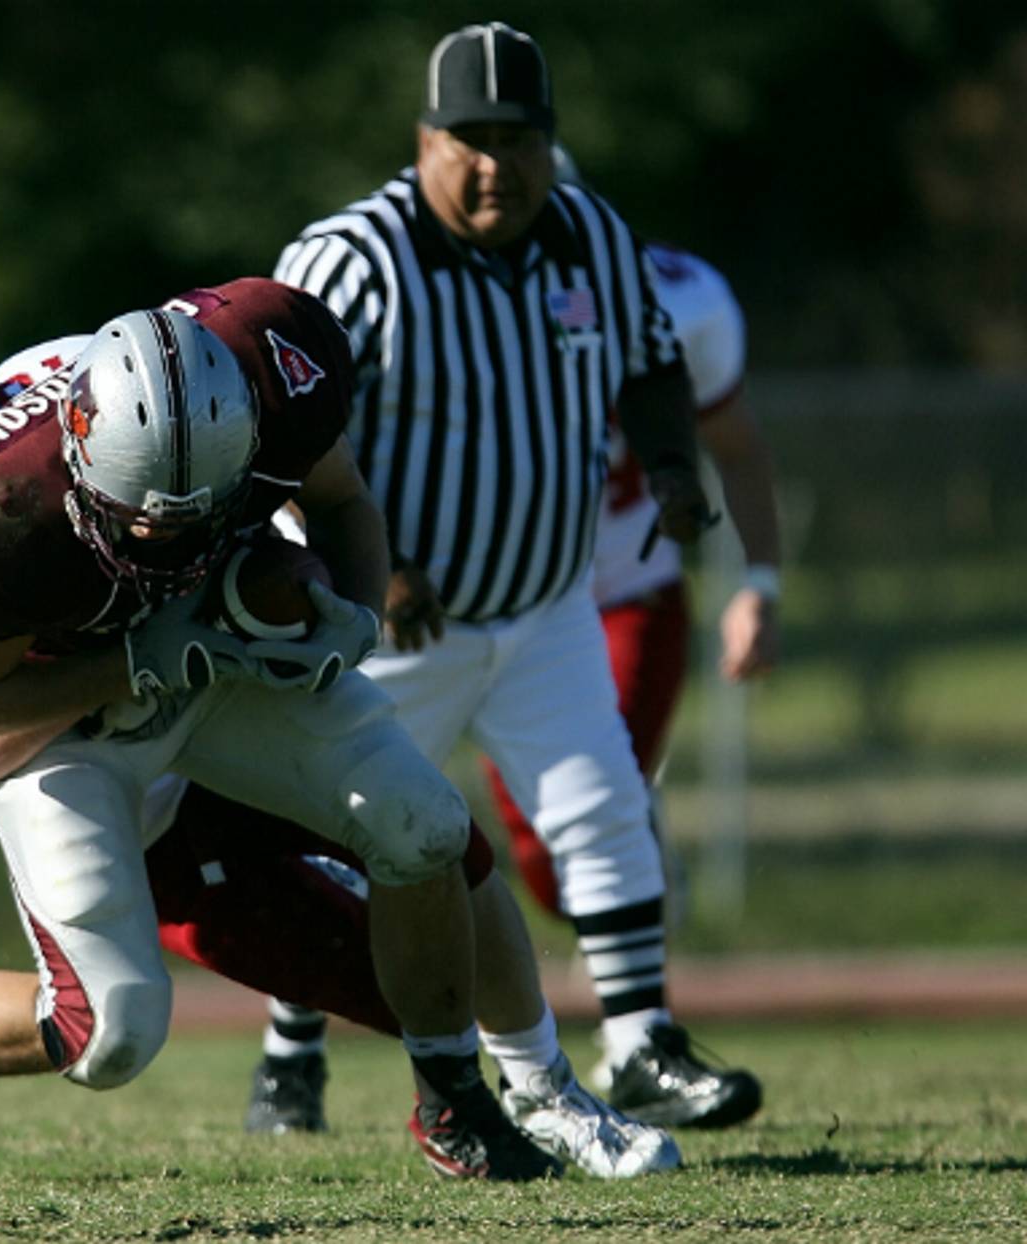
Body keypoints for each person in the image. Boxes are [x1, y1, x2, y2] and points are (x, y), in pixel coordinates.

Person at [0, 288, 678, 1182]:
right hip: (76, 750)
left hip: (204, 667)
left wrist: (327, 604)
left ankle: (520, 1094)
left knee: (431, 833)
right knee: (109, 1030)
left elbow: (300, 497)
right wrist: (130, 666)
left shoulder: (121, 387)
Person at [269, 21, 762, 1131]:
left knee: (603, 807)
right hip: (394, 619)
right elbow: (281, 424)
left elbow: (647, 362)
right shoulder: (356, 256)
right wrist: (369, 567)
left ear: (553, 144)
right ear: (424, 139)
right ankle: (289, 1055)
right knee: (345, 835)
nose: (497, 165)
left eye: (520, 138)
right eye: (471, 139)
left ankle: (641, 1043)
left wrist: (677, 467)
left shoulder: (589, 229)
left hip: (546, 605)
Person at [480, 147, 783, 929]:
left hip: (626, 587)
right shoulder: (431, 302)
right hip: (504, 606)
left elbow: (737, 447)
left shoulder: (678, 301)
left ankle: (642, 1014)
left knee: (591, 813)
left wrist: (760, 584)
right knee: (547, 864)